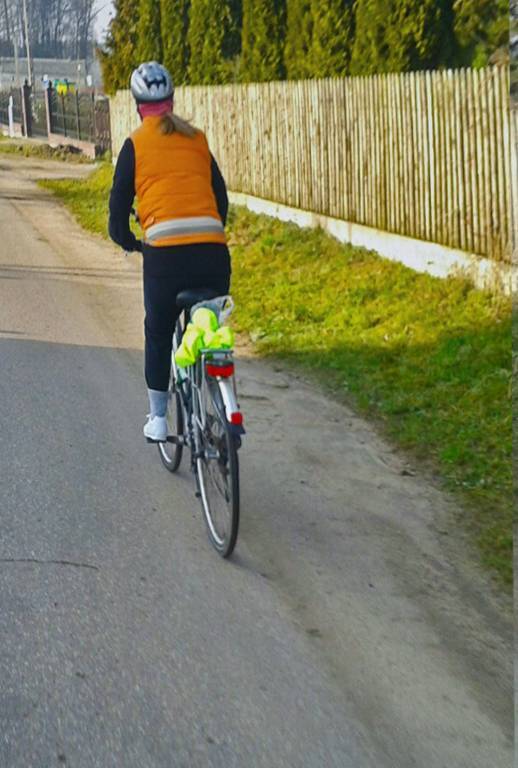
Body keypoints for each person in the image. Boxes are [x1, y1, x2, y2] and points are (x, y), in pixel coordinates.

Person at [108, 61, 231, 442]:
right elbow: (221, 199)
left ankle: (159, 419)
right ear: (172, 101)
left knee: (159, 332)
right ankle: (221, 397)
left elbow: (117, 210)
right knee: (207, 325)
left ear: (138, 107)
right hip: (213, 254)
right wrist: (209, 233)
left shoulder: (135, 144)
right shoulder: (197, 139)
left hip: (165, 258)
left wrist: (129, 241)